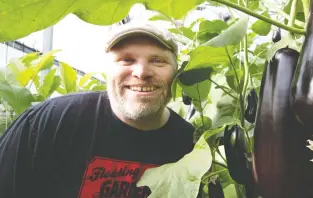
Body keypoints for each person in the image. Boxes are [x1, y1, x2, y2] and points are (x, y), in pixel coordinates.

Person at [0, 23, 195, 198]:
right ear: (107, 70)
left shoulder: (191, 146)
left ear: (177, 72)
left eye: (158, 61)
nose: (142, 72)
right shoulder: (49, 123)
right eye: (126, 60)